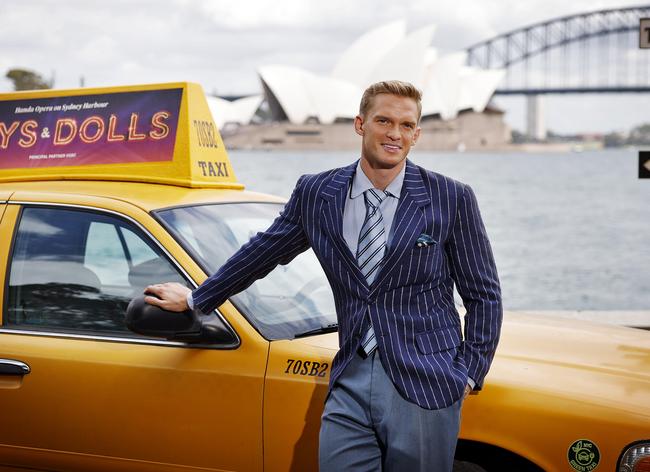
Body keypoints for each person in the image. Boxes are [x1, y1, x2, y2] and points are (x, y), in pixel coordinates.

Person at [144, 80, 502, 471]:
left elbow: (483, 294)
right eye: (383, 120)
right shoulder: (317, 192)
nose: (394, 134)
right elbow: (263, 251)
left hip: (425, 382)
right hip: (350, 371)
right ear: (360, 124)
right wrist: (198, 298)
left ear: (416, 133)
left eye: (405, 125)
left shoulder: (451, 197)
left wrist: (467, 374)